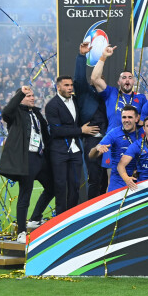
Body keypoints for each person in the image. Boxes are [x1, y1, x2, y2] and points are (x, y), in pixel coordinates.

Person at [0, 86, 54, 244]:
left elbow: (45, 134)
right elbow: (6, 112)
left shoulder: (35, 112)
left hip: (40, 158)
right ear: (21, 98)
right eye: (28, 95)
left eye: (32, 95)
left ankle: (35, 218)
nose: (32, 98)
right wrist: (21, 92)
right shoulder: (15, 114)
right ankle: (21, 231)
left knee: (53, 188)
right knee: (25, 195)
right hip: (26, 159)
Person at [45, 76, 99, 214]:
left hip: (75, 150)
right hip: (59, 151)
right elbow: (56, 131)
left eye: (71, 85)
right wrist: (81, 130)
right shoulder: (52, 105)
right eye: (66, 85)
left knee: (75, 185)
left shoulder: (74, 100)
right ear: (58, 87)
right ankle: (60, 220)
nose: (70, 88)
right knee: (61, 187)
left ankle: (71, 217)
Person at [75, 42, 109, 199]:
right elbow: (79, 77)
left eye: (102, 78)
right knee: (94, 178)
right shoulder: (85, 92)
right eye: (97, 78)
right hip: (92, 140)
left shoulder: (109, 95)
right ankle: (93, 212)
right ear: (92, 79)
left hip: (110, 141)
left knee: (105, 179)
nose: (99, 81)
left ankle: (105, 212)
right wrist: (82, 56)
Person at [90, 44, 147, 132]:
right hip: (113, 138)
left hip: (134, 139)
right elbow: (95, 78)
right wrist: (103, 56)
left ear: (134, 82)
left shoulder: (141, 98)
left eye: (130, 77)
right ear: (119, 82)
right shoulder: (110, 92)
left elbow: (146, 120)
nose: (127, 80)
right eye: (124, 78)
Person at [89, 105, 143, 192]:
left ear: (137, 119)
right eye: (124, 117)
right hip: (119, 179)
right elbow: (91, 156)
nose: (126, 120)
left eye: (130, 117)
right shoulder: (114, 133)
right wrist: (97, 148)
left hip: (140, 177)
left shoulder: (144, 132)